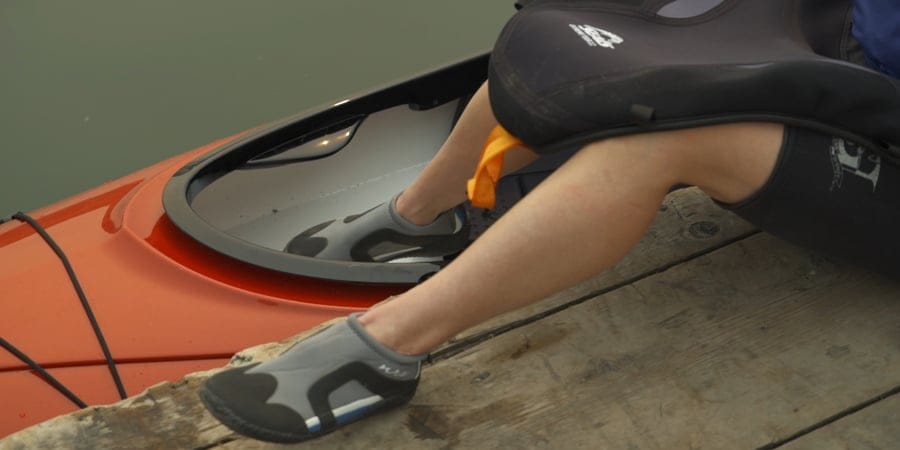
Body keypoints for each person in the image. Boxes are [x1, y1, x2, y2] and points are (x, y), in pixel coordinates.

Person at [199, 0, 899, 443]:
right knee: (601, 38)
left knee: (656, 140)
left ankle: (388, 346)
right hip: (843, 34)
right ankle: (420, 214)